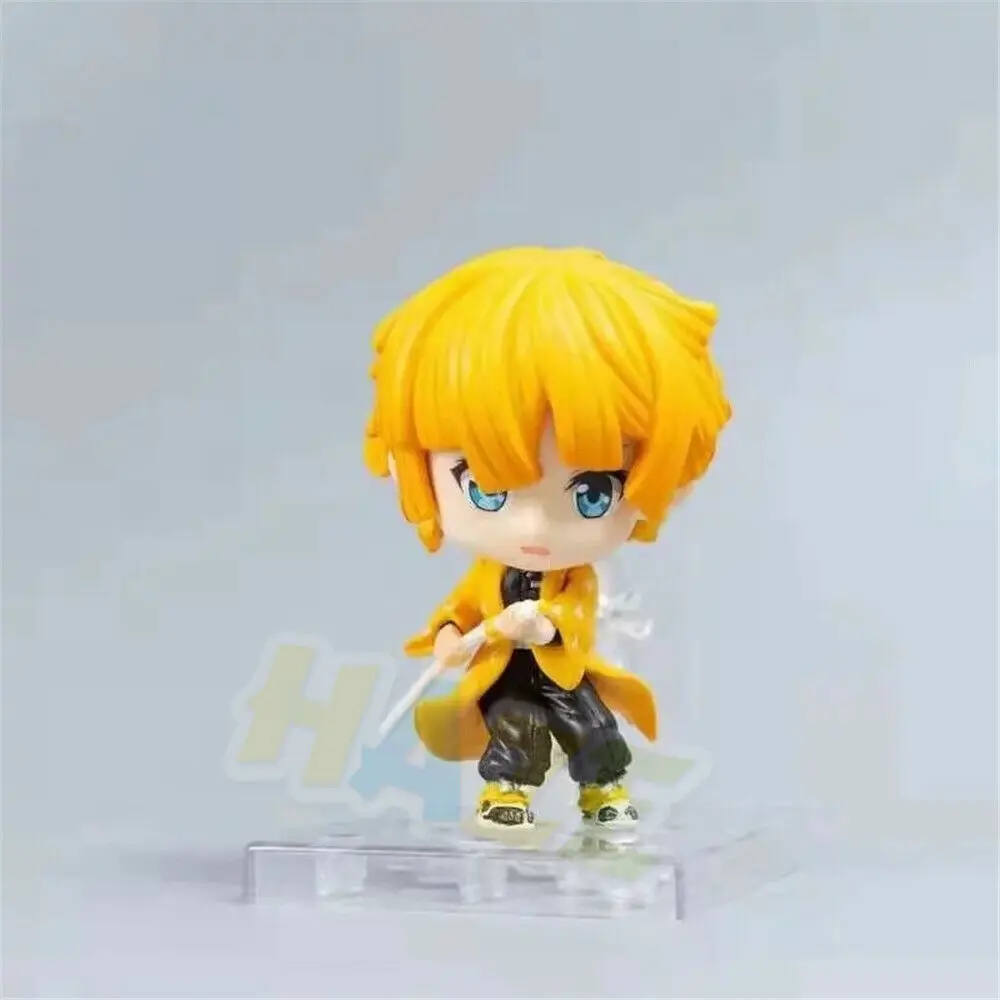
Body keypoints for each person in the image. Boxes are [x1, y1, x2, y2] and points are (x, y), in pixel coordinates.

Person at [363, 246, 730, 830]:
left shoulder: (574, 577)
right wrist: (451, 638)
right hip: (506, 671)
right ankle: (506, 792)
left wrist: (546, 625)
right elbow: (460, 610)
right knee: (515, 726)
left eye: (593, 494)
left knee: (591, 725)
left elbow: (578, 610)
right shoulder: (490, 575)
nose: (533, 528)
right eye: (486, 490)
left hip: (563, 666)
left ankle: (602, 790)